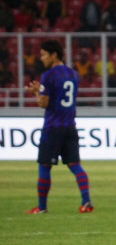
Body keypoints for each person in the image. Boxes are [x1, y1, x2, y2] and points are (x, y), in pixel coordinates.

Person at [23, 40, 93, 214]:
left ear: (54, 55)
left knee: (44, 166)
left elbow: (44, 103)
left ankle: (42, 207)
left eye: (44, 54)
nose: (42, 58)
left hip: (53, 126)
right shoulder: (74, 74)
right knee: (75, 165)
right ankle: (86, 202)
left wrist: (36, 93)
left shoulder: (48, 75)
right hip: (70, 126)